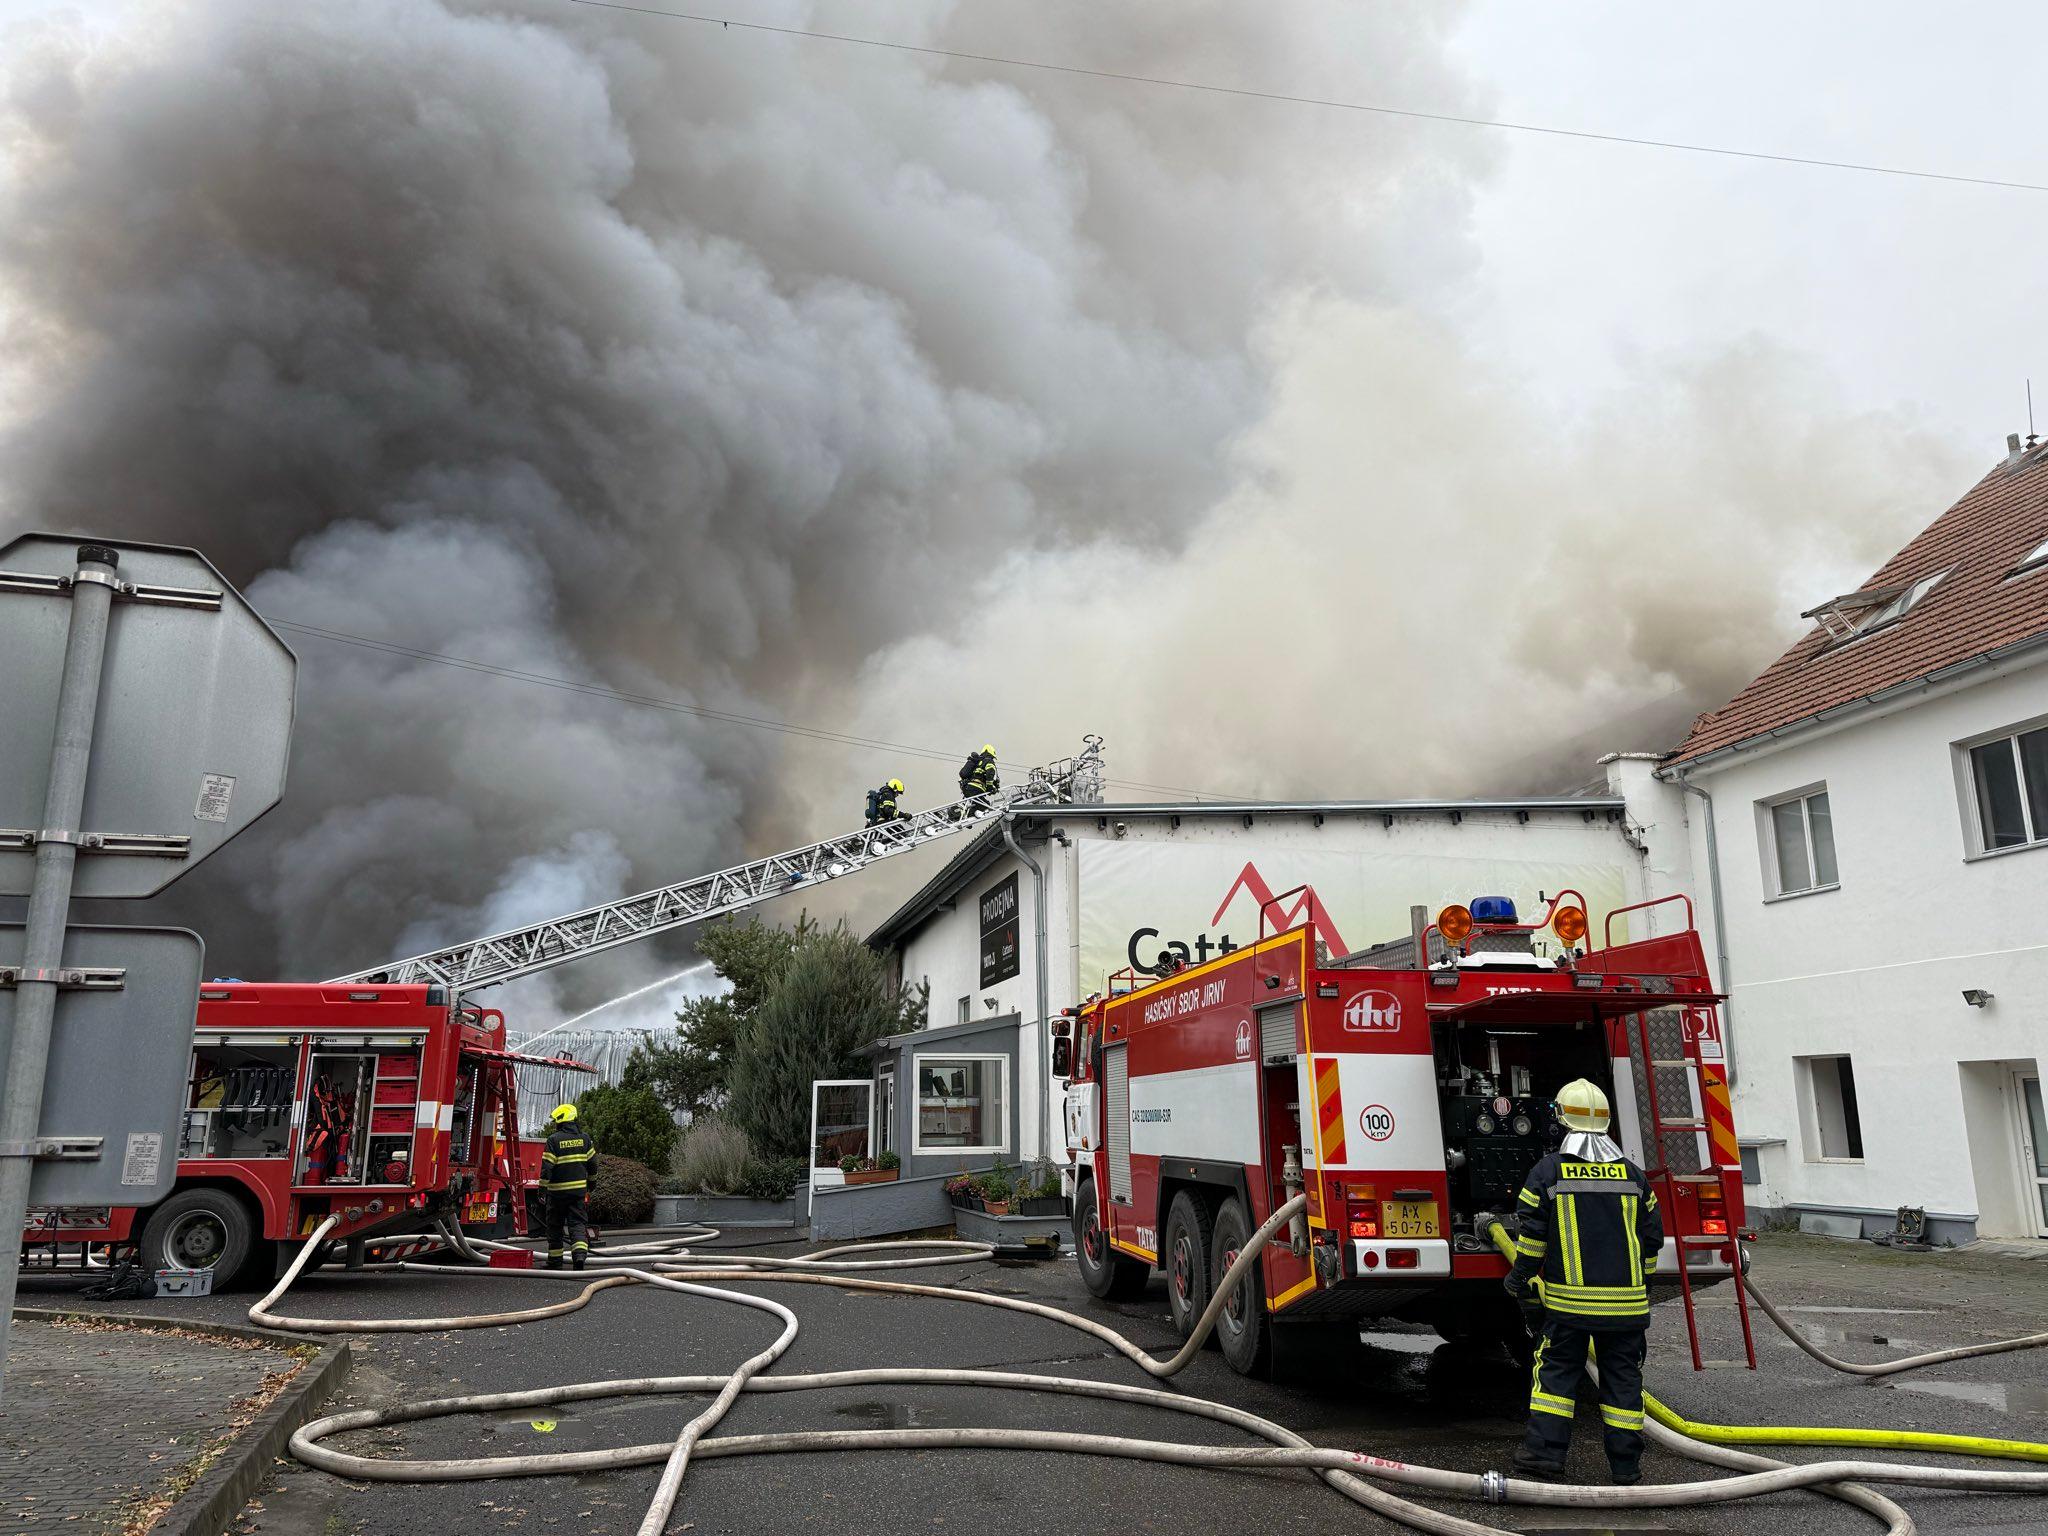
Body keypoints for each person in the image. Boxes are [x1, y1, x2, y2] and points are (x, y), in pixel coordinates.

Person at [1503, 1078, 1662, 1486]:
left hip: (1570, 1309)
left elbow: (1533, 1239)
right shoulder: (1634, 1176)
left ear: (1560, 1119)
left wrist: (1519, 1278)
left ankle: (1543, 1458)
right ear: (1608, 1122)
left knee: (1555, 1376)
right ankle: (1626, 1468)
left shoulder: (1547, 1172)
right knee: (1624, 1383)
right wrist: (1637, 1288)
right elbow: (1651, 1241)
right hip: (1627, 1311)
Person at [540, 1102, 597, 1271]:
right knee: (577, 1224)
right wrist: (591, 1183)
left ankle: (555, 1262)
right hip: (578, 1192)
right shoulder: (585, 1139)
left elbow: (547, 1167)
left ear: (561, 1120)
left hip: (557, 1194)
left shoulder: (553, 1140)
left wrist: (542, 1189)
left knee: (555, 1226)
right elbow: (593, 1163)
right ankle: (579, 1257)